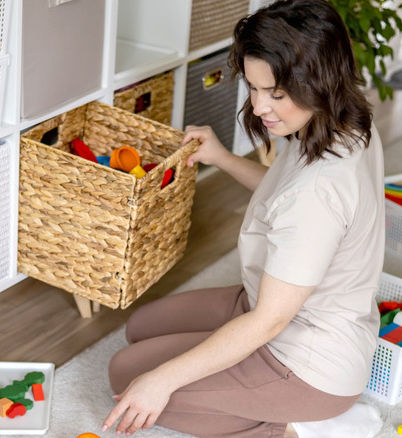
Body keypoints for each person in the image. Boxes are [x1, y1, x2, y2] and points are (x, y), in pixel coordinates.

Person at [102, 0, 386, 437]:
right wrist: (221, 157)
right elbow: (282, 193)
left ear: (318, 81)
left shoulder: (318, 192)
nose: (258, 107)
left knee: (128, 377)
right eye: (254, 88)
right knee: (140, 330)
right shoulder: (341, 120)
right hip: (278, 306)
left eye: (276, 94)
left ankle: (307, 427)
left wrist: (162, 382)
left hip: (306, 361)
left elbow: (268, 322)